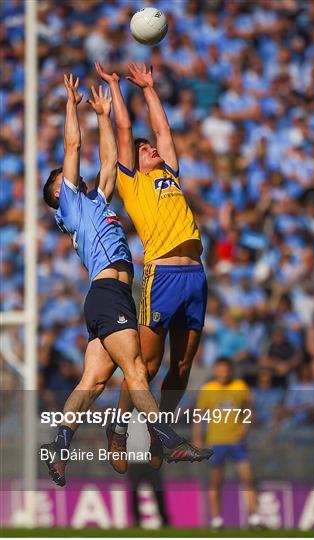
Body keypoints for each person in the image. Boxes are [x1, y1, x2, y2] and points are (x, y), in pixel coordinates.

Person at [40, 74, 213, 486]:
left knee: (93, 380)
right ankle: (167, 439)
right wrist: (71, 105)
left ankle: (59, 443)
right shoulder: (69, 207)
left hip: (110, 296)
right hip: (108, 293)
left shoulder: (96, 200)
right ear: (58, 196)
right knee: (136, 370)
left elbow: (106, 160)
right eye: (62, 180)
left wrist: (101, 113)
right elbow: (74, 147)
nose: (72, 178)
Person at [95, 62, 208, 471]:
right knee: (146, 364)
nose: (151, 150)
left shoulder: (170, 174)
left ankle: (165, 435)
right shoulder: (133, 183)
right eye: (144, 151)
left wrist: (150, 89)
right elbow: (126, 133)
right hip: (162, 276)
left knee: (181, 366)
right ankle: (120, 431)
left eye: (150, 148)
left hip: (195, 275)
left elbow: (164, 132)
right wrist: (115, 87)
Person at [193, 357, 261, 530]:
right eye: (220, 369)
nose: (223, 373)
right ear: (216, 371)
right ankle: (216, 519)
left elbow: (249, 408)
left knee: (248, 478)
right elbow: (198, 416)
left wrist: (245, 427)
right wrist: (197, 438)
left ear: (230, 370)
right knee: (216, 481)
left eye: (226, 369)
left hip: (237, 441)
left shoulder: (239, 386)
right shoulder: (208, 389)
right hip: (216, 441)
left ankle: (254, 518)